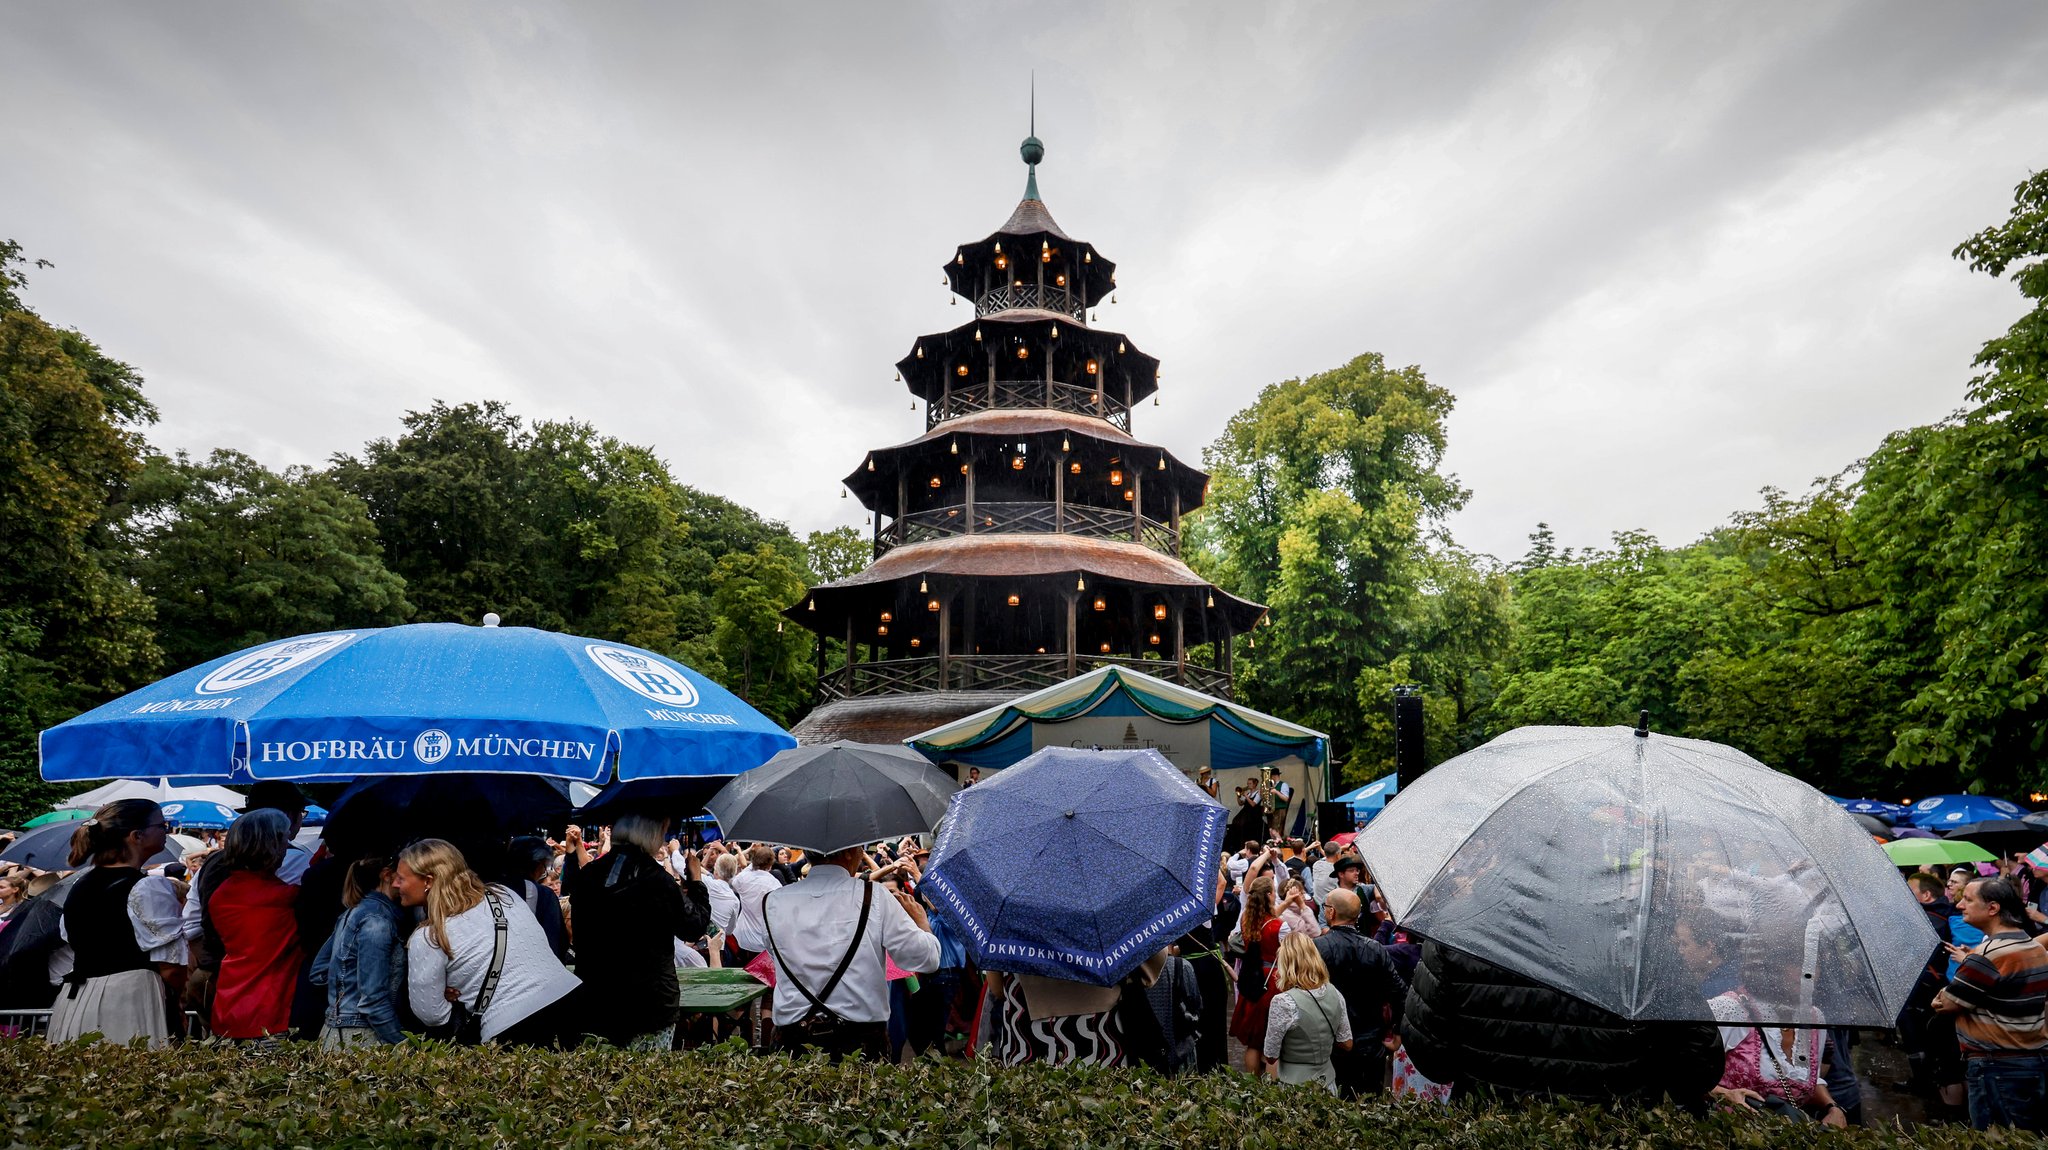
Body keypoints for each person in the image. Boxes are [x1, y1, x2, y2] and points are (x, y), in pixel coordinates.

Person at [1402, 939, 1725, 1109]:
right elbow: (1697, 1067)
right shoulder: (1644, 943)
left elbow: (1432, 1058)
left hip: (1488, 1122)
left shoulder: (1457, 935)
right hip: (1613, 1126)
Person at [761, 842, 940, 1061]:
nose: (861, 855)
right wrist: (922, 922)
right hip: (860, 1041)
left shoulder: (773, 901)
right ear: (847, 852)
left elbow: (766, 949)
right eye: (860, 849)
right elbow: (926, 958)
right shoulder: (875, 896)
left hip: (792, 1040)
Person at [397, 839, 579, 1047]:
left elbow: (432, 1015)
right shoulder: (503, 895)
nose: (395, 884)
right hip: (567, 1003)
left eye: (401, 878)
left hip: (514, 1028)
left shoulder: (429, 937)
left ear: (428, 882)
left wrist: (452, 997)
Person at [566, 813, 713, 1049]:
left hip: (596, 997)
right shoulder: (657, 881)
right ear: (652, 835)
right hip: (650, 1004)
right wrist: (696, 881)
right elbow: (693, 927)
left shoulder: (589, 875)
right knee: (646, 1079)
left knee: (599, 1079)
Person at [46, 801, 181, 1047]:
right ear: (136, 836)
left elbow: (74, 943)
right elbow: (171, 968)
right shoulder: (147, 887)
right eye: (162, 825)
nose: (166, 830)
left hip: (77, 999)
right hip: (128, 997)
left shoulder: (80, 885)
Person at [1932, 876, 2048, 1131]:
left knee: (1997, 1137)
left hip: (1996, 1066)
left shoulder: (1986, 956)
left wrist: (1949, 986)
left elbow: (1945, 1004)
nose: (1960, 905)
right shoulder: (2034, 947)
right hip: (2034, 1060)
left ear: (1993, 908)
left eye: (1968, 899)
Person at [205, 809, 304, 1041]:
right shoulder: (284, 897)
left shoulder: (222, 893)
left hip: (229, 1005)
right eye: (284, 840)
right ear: (271, 844)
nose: (286, 847)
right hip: (270, 1011)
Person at [1313, 888, 1405, 1096]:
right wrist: (1397, 1033)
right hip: (1369, 1041)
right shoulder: (1374, 948)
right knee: (1367, 1105)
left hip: (1329, 1041)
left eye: (1326, 907)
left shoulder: (1317, 948)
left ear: (1331, 912)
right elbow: (1399, 992)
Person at [311, 855, 409, 1047]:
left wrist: (345, 988)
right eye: (402, 876)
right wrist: (404, 1044)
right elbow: (373, 1000)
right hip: (362, 1037)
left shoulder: (352, 912)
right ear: (387, 875)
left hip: (333, 1033)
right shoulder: (377, 920)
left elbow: (319, 972)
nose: (403, 882)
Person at [1263, 932, 1352, 1093]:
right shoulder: (1335, 993)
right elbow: (1346, 1043)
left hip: (1294, 1085)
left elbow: (1270, 1055)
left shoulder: (1283, 1002)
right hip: (1327, 1082)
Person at [1228, 877, 1282, 1076]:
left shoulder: (1246, 919)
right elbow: (1285, 957)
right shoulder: (1279, 926)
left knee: (1254, 1041)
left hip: (1251, 979)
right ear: (1268, 895)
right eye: (1274, 891)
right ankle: (1272, 1092)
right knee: (1273, 1043)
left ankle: (1252, 1086)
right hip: (1272, 981)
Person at [504, 837, 569, 962]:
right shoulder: (543, 895)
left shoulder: (491, 889)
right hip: (533, 965)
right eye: (545, 865)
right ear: (539, 864)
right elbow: (556, 941)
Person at [730, 844, 781, 967]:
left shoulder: (743, 878)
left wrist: (752, 865)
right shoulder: (774, 884)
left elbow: (734, 884)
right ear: (770, 863)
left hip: (743, 937)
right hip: (763, 939)